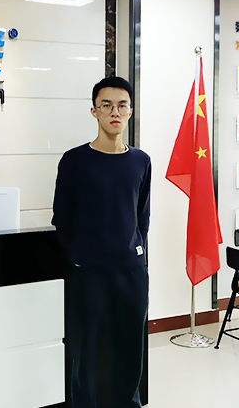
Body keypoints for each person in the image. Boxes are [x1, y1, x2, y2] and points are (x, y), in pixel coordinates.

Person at [51, 76, 151, 408]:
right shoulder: (74, 161)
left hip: (131, 272)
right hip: (88, 273)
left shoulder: (141, 161)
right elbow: (62, 217)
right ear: (94, 111)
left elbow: (142, 216)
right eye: (106, 105)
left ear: (131, 111)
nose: (114, 112)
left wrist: (137, 252)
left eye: (122, 105)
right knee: (86, 353)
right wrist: (81, 255)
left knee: (130, 351)